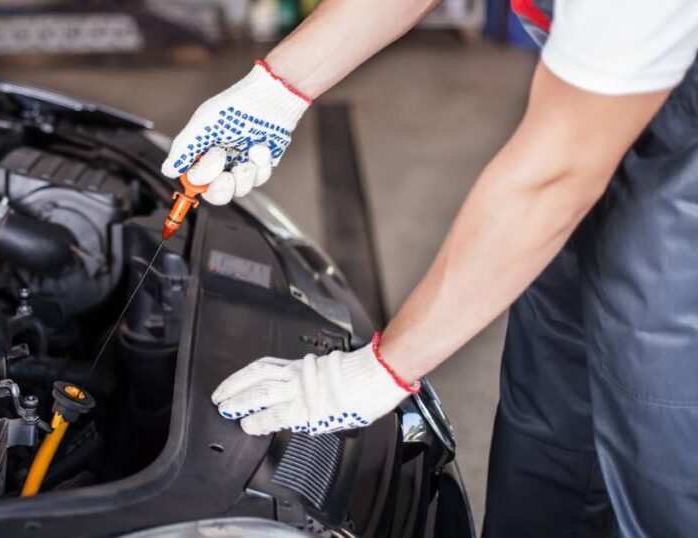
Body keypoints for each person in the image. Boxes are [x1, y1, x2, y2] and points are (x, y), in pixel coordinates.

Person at [161, 0, 698, 536]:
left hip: (679, 165)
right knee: (551, 425)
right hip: (604, 102)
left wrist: (381, 370)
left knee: (663, 452)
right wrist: (277, 88)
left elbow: (553, 180)